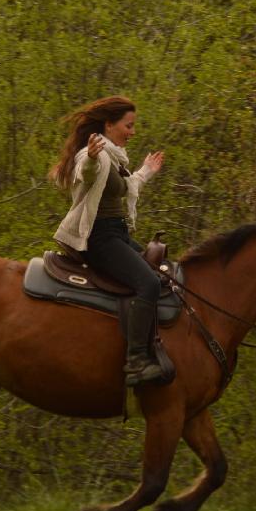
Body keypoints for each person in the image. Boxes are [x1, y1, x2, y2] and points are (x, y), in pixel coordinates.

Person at [50, 96, 165, 386]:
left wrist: (146, 172)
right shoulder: (98, 156)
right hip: (100, 239)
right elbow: (85, 172)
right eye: (129, 125)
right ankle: (137, 360)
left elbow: (126, 187)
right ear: (109, 125)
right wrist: (88, 156)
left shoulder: (114, 159)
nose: (133, 131)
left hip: (117, 234)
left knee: (164, 275)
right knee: (148, 284)